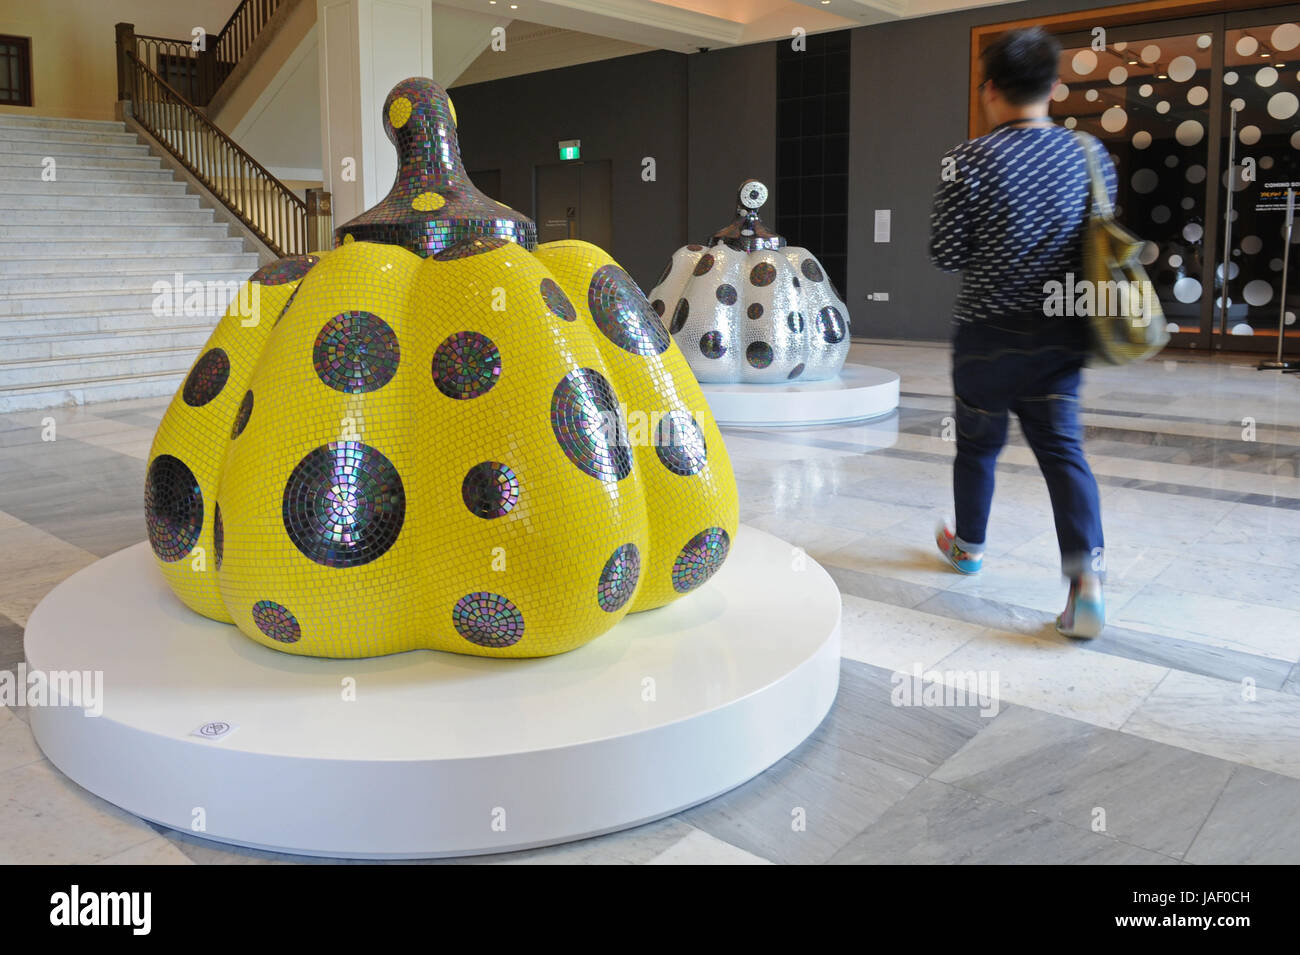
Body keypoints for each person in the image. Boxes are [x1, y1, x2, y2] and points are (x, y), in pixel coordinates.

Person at [928, 26, 1112, 638]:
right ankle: (1084, 583)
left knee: (978, 445)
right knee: (1063, 452)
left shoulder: (967, 159)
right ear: (1055, 87)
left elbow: (948, 253)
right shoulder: (1090, 156)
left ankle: (970, 548)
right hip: (1062, 332)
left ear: (989, 90)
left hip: (987, 335)